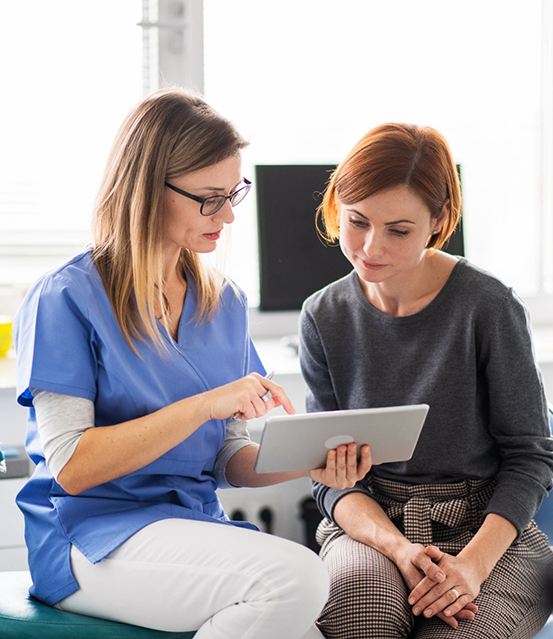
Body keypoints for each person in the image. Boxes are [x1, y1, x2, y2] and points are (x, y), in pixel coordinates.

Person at [13, 88, 373, 639]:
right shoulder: (65, 297)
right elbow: (71, 465)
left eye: (234, 194)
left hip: (189, 525)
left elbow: (227, 459)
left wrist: (308, 461)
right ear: (146, 189)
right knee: (296, 577)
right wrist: (205, 404)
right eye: (209, 197)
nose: (227, 215)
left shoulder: (222, 303)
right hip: (89, 537)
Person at [299, 122, 553, 639]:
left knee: (460, 631)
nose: (371, 247)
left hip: (486, 526)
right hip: (374, 524)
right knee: (358, 619)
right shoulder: (323, 314)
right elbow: (327, 482)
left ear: (438, 221)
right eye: (356, 222)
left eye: (399, 230)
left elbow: (531, 456)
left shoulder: (487, 305)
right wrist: (399, 548)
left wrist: (471, 568)